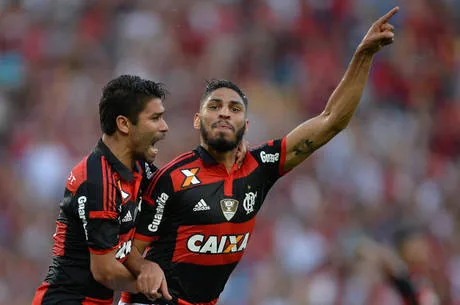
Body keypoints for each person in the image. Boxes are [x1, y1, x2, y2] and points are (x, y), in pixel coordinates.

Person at [120, 7, 399, 305]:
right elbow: (127, 253)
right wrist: (143, 266)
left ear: (246, 125)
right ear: (198, 121)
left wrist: (363, 56)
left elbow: (331, 120)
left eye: (235, 108)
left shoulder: (259, 166)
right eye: (214, 106)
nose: (225, 112)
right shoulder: (171, 178)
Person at [32, 75, 172, 305]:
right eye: (155, 118)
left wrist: (229, 159)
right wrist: (151, 284)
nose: (164, 127)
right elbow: (105, 271)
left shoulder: (138, 168)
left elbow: (180, 186)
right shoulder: (97, 179)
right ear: (124, 124)